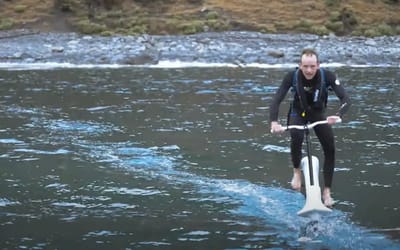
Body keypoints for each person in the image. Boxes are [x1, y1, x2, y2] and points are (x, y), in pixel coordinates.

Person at [269, 48, 351, 207]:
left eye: (312, 66)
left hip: (318, 114)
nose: (309, 70)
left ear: (318, 65)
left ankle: (327, 192)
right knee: (296, 136)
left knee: (330, 148)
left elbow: (346, 99)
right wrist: (274, 122)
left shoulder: (328, 76)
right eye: (305, 66)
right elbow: (276, 99)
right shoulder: (291, 76)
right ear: (300, 65)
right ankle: (297, 173)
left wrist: (339, 115)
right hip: (298, 113)